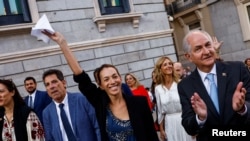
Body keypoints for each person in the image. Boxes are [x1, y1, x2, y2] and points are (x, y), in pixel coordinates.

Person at [42, 31, 159, 141]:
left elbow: (152, 136)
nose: (112, 81)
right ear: (101, 85)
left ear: (120, 78)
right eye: (106, 79)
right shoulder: (100, 103)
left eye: (114, 76)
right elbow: (81, 77)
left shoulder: (139, 103)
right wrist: (63, 44)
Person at [178, 29, 250, 141]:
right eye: (198, 49)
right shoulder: (185, 85)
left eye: (208, 45)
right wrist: (200, 118)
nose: (206, 52)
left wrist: (242, 108)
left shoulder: (237, 69)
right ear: (189, 57)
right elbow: (189, 126)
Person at [42, 69, 101, 141]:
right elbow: (50, 139)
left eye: (54, 82)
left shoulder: (82, 99)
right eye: (47, 84)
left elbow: (98, 127)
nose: (51, 86)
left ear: (64, 83)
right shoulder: (47, 113)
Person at [154, 56, 195, 141]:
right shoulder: (158, 89)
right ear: (160, 69)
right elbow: (160, 111)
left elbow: (191, 104)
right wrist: (161, 130)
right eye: (165, 64)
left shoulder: (181, 83)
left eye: (170, 64)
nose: (168, 66)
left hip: (184, 119)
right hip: (170, 123)